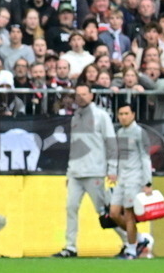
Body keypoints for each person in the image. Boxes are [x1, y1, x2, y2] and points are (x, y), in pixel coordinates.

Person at [53, 85, 122, 258]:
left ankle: (131, 239)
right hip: (76, 173)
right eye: (78, 95)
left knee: (104, 211)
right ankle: (70, 247)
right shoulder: (75, 117)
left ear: (91, 95)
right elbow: (75, 147)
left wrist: (112, 169)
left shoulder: (101, 115)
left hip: (95, 171)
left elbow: (111, 143)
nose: (81, 97)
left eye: (84, 94)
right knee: (71, 207)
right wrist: (69, 172)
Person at [111, 104, 155, 259]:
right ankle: (141, 239)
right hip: (122, 178)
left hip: (135, 177)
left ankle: (131, 250)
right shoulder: (120, 132)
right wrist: (114, 172)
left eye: (126, 113)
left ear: (133, 115)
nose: (123, 117)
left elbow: (145, 157)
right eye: (120, 113)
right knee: (114, 213)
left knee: (129, 214)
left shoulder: (139, 133)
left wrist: (147, 182)